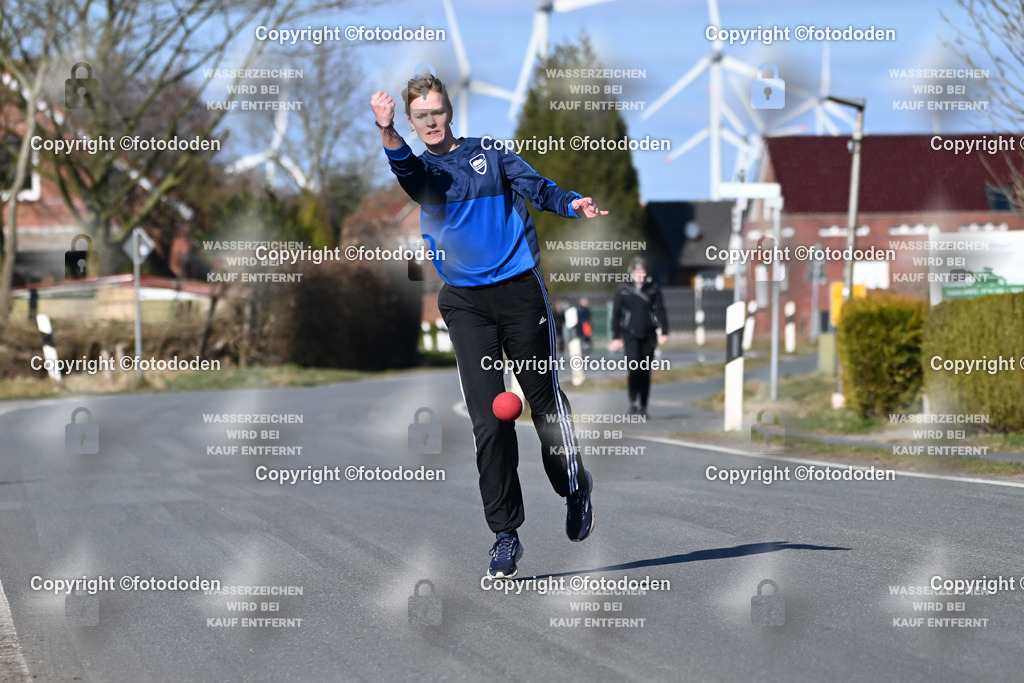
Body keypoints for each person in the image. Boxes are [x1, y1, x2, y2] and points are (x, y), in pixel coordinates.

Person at [371, 74, 604, 579]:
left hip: (521, 291)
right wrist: (387, 131)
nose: (430, 122)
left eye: (437, 112)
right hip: (466, 303)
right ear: (411, 122)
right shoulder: (428, 175)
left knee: (542, 402)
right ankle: (505, 534)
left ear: (449, 112)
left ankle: (573, 485)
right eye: (419, 117)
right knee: (490, 419)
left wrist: (572, 203)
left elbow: (537, 187)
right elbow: (407, 171)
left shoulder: (491, 154)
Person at [608, 257, 669, 418]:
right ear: (631, 273)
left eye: (642, 272)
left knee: (645, 371)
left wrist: (664, 332)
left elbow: (660, 310)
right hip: (630, 335)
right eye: (637, 272)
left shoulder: (653, 289)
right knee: (634, 368)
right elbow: (616, 315)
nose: (639, 275)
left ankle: (643, 406)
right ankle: (633, 403)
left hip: (648, 335)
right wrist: (616, 336)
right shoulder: (623, 290)